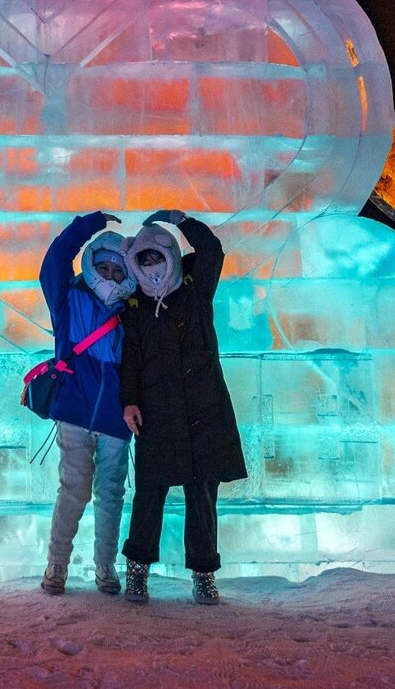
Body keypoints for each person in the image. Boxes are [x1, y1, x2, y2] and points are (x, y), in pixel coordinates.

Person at [118, 209, 246, 605]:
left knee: (203, 492)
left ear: (171, 254)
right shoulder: (136, 306)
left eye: (158, 256)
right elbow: (131, 358)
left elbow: (211, 249)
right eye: (145, 259)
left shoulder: (195, 288)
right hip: (158, 411)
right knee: (150, 492)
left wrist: (181, 220)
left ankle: (204, 573)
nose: (153, 266)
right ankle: (137, 571)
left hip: (204, 406)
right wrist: (129, 402)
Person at [38, 211, 137, 595]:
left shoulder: (132, 311)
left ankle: (105, 568)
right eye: (104, 265)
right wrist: (87, 224)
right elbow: (54, 262)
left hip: (115, 419)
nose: (111, 274)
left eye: (118, 269)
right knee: (74, 488)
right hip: (75, 412)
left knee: (111, 493)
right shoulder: (68, 299)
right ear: (91, 262)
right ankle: (56, 565)